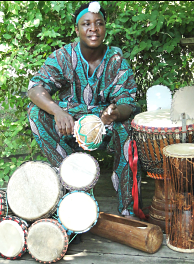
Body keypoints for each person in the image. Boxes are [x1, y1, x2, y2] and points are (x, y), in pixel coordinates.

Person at [27, 1, 142, 219]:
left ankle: (128, 208)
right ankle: (75, 186)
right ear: (77, 29)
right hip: (70, 123)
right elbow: (35, 89)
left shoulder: (115, 59)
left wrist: (115, 113)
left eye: (98, 23)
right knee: (35, 113)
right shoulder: (63, 57)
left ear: (105, 27)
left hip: (103, 124)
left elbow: (129, 102)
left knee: (127, 126)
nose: (93, 28)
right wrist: (57, 111)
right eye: (86, 24)